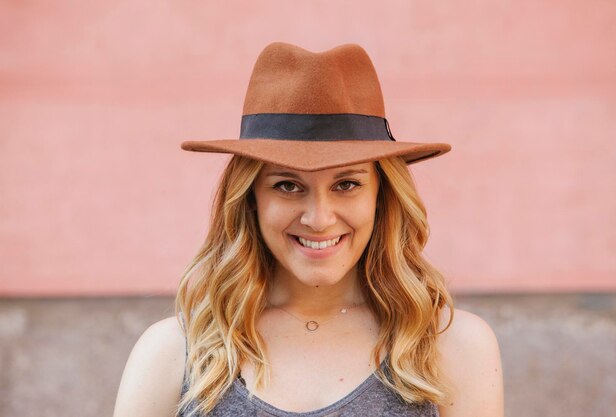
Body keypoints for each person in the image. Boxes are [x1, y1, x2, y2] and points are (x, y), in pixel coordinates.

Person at [113, 42, 503, 417]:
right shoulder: (174, 353)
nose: (319, 218)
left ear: (382, 196)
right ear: (251, 198)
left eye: (346, 185)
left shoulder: (452, 346)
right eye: (287, 185)